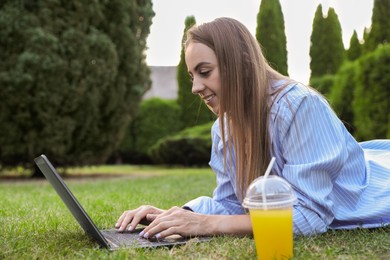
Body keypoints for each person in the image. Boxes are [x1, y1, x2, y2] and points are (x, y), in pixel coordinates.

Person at [115, 17, 390, 239]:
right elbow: (232, 206)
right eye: (192, 76)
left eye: (205, 71)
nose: (195, 87)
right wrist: (175, 215)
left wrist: (207, 224)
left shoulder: (299, 106)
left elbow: (310, 218)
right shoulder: (223, 129)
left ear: (241, 64)